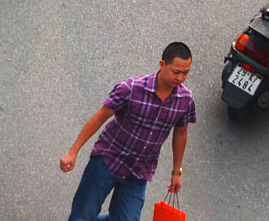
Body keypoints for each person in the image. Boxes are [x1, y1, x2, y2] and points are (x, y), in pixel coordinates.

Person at [60, 41, 195, 221]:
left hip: (139, 171)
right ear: (162, 65)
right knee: (82, 216)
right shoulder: (131, 89)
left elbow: (181, 133)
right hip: (107, 162)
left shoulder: (185, 100)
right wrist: (73, 151)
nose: (180, 78)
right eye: (176, 72)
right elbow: (101, 116)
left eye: (185, 73)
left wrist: (176, 171)